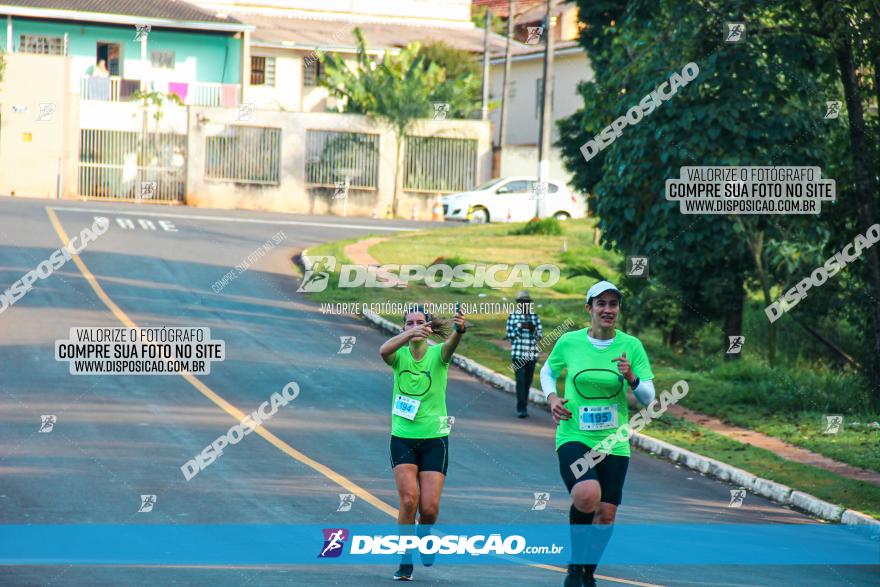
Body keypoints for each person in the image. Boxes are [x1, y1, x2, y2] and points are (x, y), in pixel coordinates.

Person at [540, 281, 655, 587]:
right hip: (573, 433)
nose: (607, 310)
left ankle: (588, 573)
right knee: (587, 494)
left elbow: (648, 398)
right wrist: (552, 397)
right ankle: (575, 568)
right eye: (601, 303)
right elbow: (547, 371)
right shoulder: (569, 342)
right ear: (588, 308)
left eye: (613, 304)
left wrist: (632, 377)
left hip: (614, 442)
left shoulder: (632, 346)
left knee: (606, 515)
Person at [379, 304, 466, 581]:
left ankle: (424, 533)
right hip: (403, 437)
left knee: (428, 508)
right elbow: (383, 350)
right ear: (403, 328)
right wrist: (408, 334)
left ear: (429, 328)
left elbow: (451, 344)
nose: (415, 326)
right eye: (409, 323)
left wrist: (459, 330)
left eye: (420, 322)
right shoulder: (399, 357)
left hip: (435, 439)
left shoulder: (438, 356)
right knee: (409, 500)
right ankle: (405, 558)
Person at [506, 290, 543, 418]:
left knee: (527, 382)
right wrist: (519, 327)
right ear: (519, 303)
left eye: (526, 302)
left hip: (531, 355)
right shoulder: (513, 316)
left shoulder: (534, 317)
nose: (524, 304)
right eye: (522, 302)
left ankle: (524, 405)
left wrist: (533, 329)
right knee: (520, 381)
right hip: (518, 354)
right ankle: (521, 408)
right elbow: (510, 337)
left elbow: (540, 336)